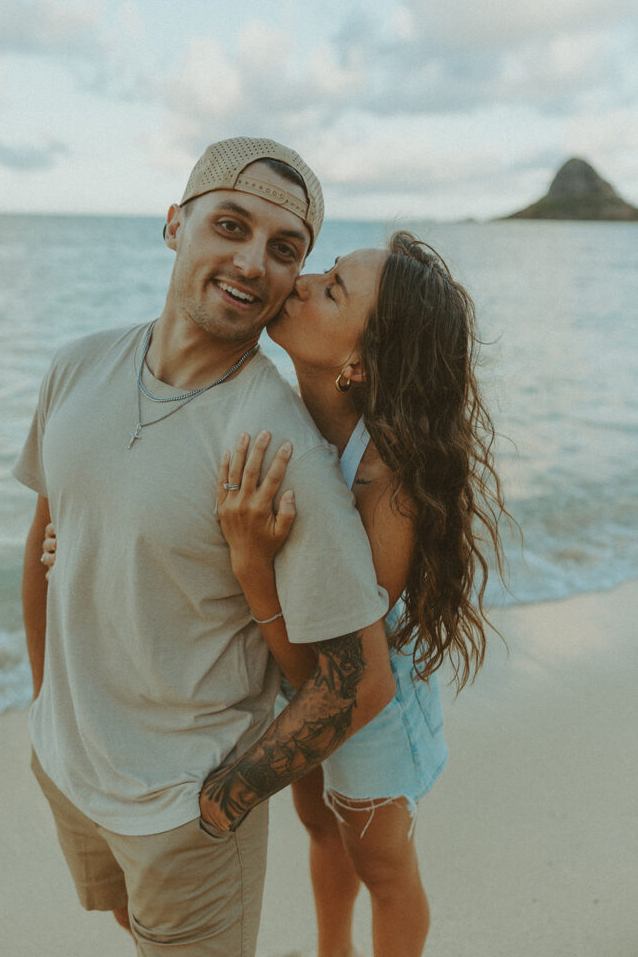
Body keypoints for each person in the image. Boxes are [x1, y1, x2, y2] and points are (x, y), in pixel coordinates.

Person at [43, 232, 509, 956]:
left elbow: (339, 669)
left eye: (332, 289)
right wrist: (84, 546)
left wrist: (253, 566)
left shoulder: (387, 485)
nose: (301, 280)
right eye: (322, 268)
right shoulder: (282, 416)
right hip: (286, 669)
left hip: (370, 695)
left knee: (381, 864)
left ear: (358, 361)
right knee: (321, 828)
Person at [14, 136, 396, 957]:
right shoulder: (75, 368)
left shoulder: (273, 447)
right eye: (230, 225)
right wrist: (46, 700)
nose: (253, 262)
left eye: (283, 249)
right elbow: (48, 536)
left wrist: (224, 799)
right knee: (123, 925)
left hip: (181, 810)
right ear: (173, 226)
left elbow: (358, 681)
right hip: (68, 767)